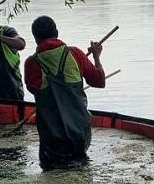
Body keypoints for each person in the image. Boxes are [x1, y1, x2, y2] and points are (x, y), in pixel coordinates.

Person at [24, 16, 106, 170]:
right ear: (56, 32)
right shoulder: (75, 54)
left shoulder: (31, 63)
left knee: (51, 174)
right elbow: (100, 81)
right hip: (80, 132)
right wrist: (96, 57)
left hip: (51, 137)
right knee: (81, 170)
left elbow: (32, 89)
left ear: (35, 38)